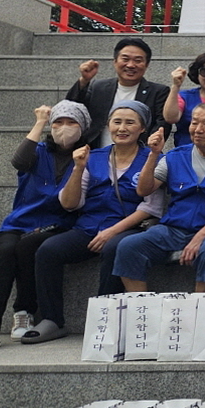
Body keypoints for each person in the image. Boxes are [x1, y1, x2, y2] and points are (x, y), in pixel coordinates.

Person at [24, 102, 165, 343]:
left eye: (130, 122)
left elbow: (151, 206)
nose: (122, 128)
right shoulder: (93, 157)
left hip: (128, 227)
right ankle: (52, 320)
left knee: (115, 248)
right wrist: (78, 168)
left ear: (143, 128)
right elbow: (70, 203)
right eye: (117, 122)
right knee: (48, 250)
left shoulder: (154, 158)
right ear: (108, 126)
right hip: (89, 227)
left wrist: (112, 231)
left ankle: (106, 318)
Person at [0, 102, 90, 353]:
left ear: (83, 127)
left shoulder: (88, 156)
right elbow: (19, 161)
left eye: (71, 123)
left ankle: (24, 310)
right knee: (4, 251)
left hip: (59, 223)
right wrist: (40, 121)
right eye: (58, 123)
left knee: (28, 246)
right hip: (21, 221)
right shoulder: (39, 150)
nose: (63, 128)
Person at [112, 103, 205, 294]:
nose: (198, 129)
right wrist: (154, 154)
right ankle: (141, 305)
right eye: (194, 123)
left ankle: (200, 306)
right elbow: (144, 190)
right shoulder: (175, 156)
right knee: (129, 246)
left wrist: (200, 237)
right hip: (173, 227)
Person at [66, 37, 170, 146]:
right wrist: (84, 80)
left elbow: (162, 124)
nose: (130, 65)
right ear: (115, 61)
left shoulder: (158, 92)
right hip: (97, 152)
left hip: (139, 155)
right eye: (125, 59)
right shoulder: (98, 87)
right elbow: (71, 109)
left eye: (138, 60)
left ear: (147, 65)